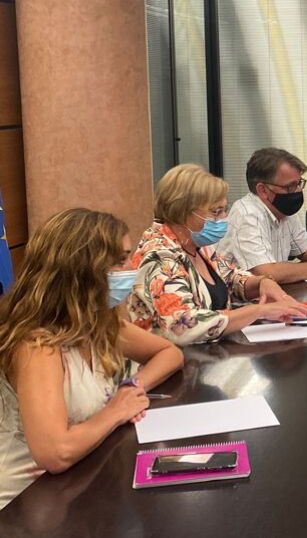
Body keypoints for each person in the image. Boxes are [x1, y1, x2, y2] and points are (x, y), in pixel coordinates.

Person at [0, 209, 184, 509]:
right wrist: (116, 411)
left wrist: (133, 387)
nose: (131, 268)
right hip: (27, 502)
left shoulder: (97, 322)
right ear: (83, 269)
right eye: (120, 261)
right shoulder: (37, 345)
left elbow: (169, 353)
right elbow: (55, 452)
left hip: (79, 480)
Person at [127, 164, 307, 346]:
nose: (223, 218)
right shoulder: (159, 256)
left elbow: (231, 278)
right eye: (216, 212)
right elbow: (182, 326)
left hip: (210, 354)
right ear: (181, 212)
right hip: (173, 360)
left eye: (224, 209)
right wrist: (260, 311)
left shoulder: (197, 244)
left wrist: (262, 283)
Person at [217, 148, 307, 284]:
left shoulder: (282, 210)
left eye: (299, 183)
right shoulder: (247, 214)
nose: (298, 191)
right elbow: (266, 273)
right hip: (236, 296)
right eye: (290, 186)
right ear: (263, 190)